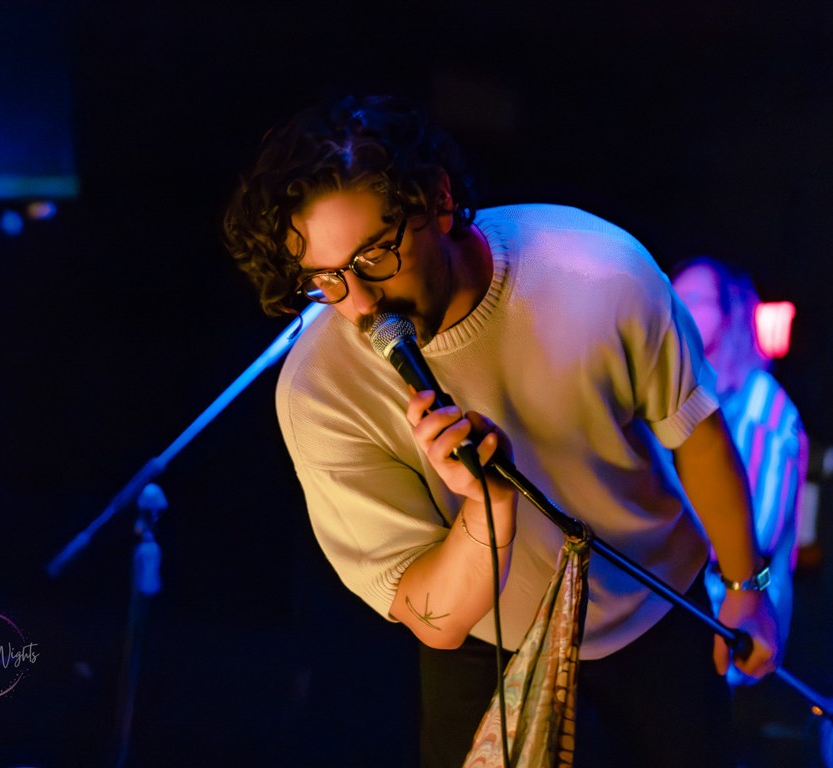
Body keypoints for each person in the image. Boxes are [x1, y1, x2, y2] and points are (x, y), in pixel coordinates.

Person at [223, 95, 779, 768]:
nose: (361, 304)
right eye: (325, 281)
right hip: (488, 644)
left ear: (436, 198)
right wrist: (485, 509)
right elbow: (433, 616)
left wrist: (747, 590)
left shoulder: (596, 268)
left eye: (373, 256)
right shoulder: (320, 389)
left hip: (657, 607)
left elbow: (697, 433)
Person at [672, 257, 808, 683]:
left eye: (696, 298)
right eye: (674, 294)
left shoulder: (762, 408)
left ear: (730, 315)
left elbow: (758, 534)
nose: (679, 306)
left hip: (734, 633)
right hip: (693, 619)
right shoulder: (696, 397)